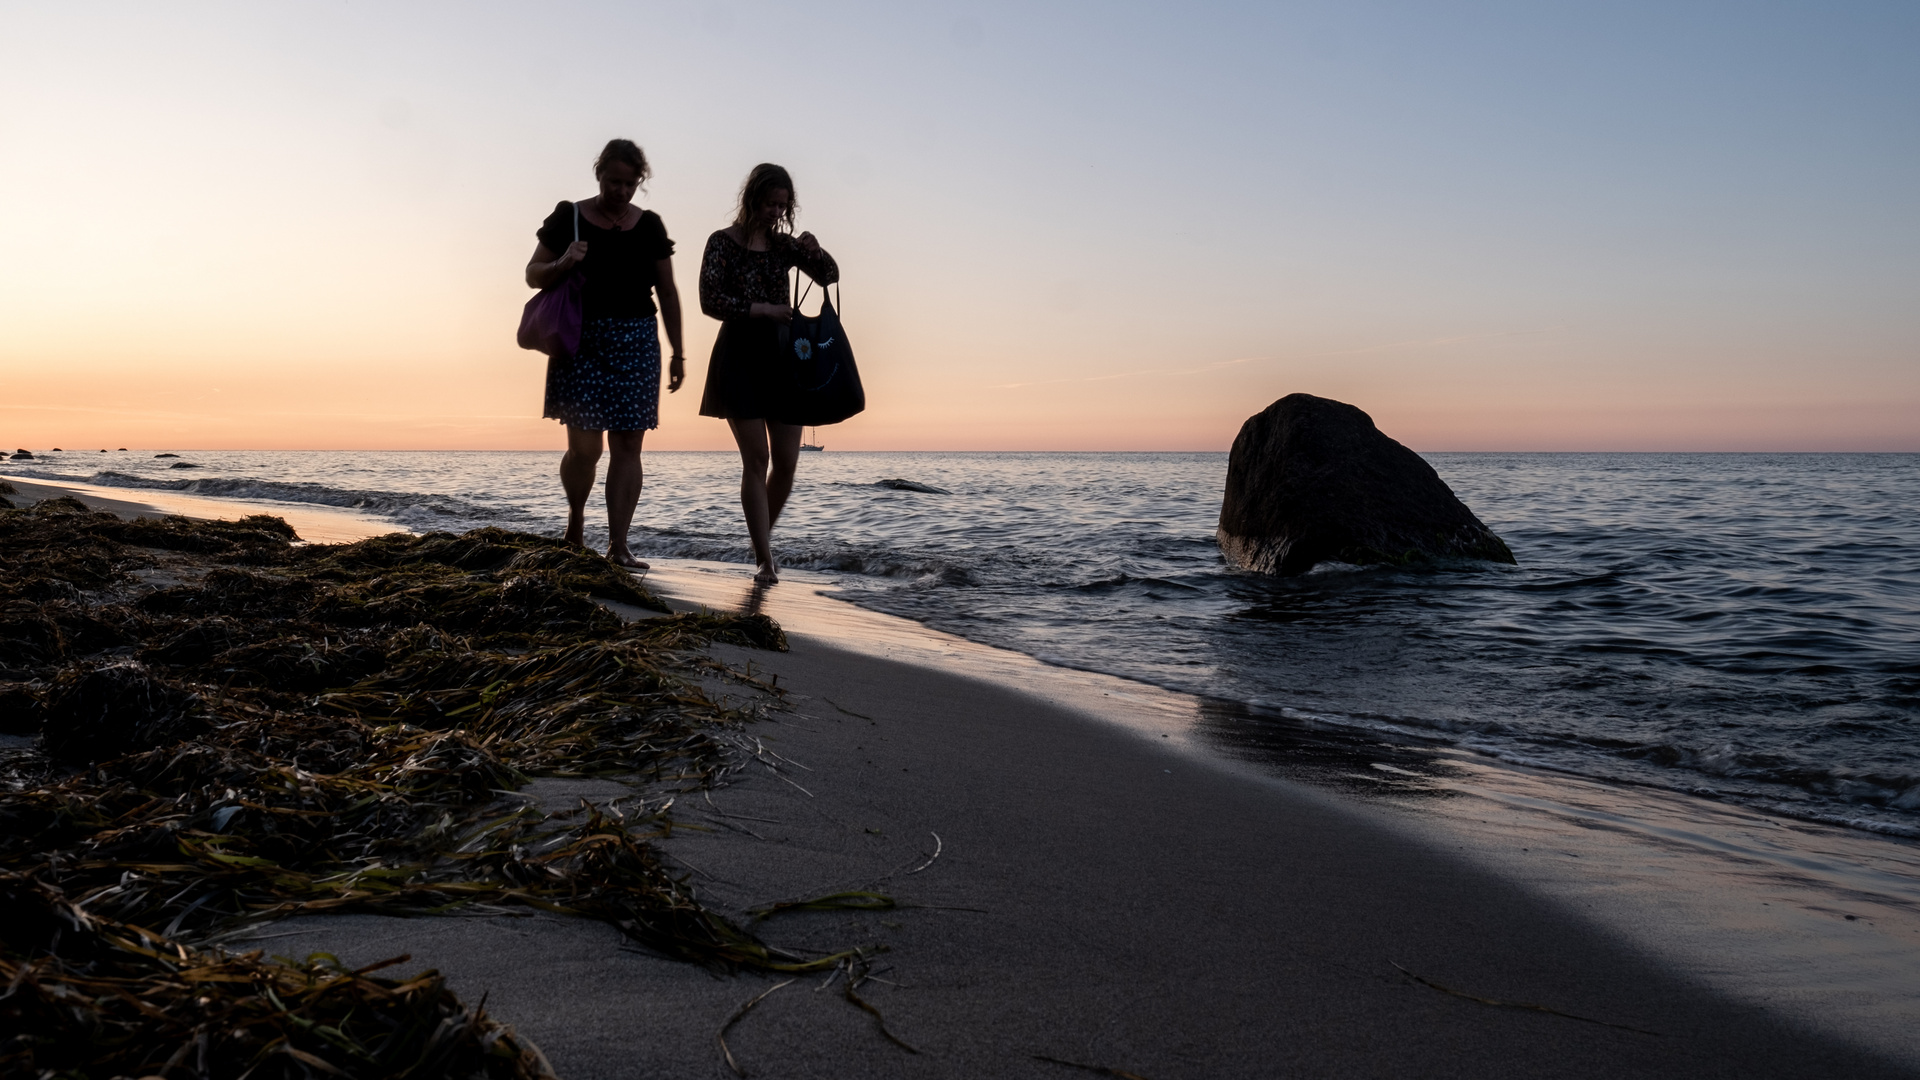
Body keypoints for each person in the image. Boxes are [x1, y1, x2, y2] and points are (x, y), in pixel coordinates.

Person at [525, 138, 684, 569]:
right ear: (599, 174)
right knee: (585, 449)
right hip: (582, 339)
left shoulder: (649, 225)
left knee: (629, 443)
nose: (621, 190)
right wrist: (564, 263)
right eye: (614, 181)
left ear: (640, 182)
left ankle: (619, 544)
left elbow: (667, 291)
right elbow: (532, 275)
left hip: (637, 339)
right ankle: (575, 523)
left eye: (630, 183)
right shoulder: (570, 217)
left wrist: (678, 352)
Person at [697, 163, 838, 584]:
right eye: (770, 202)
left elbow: (830, 277)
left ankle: (761, 539)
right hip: (739, 354)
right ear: (752, 198)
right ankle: (764, 558)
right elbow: (710, 300)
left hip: (783, 357)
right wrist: (764, 310)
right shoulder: (722, 243)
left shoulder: (784, 247)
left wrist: (815, 252)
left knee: (788, 462)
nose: (776, 211)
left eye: (783, 205)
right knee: (756, 458)